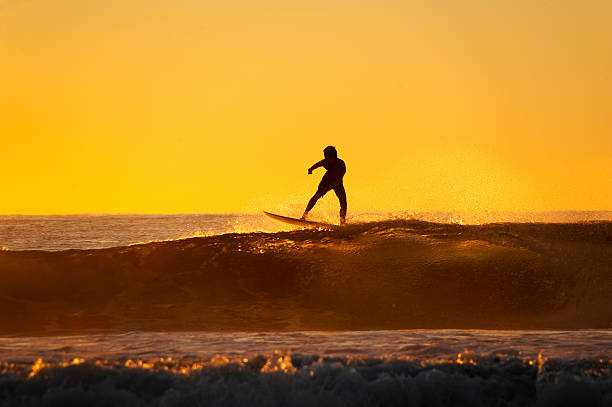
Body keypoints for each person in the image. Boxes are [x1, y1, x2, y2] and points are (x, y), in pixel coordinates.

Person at [302, 146, 347, 225]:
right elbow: (318, 164)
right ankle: (304, 215)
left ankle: (342, 222)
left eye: (326, 156)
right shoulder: (325, 161)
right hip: (327, 179)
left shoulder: (341, 164)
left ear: (333, 156)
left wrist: (329, 187)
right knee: (316, 196)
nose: (325, 158)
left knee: (343, 203)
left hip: (338, 182)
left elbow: (339, 178)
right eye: (325, 156)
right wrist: (311, 169)